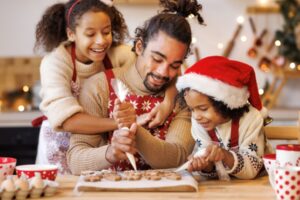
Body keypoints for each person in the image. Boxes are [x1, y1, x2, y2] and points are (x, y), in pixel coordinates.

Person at [34, 0, 175, 174]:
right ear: (71, 34)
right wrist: (121, 122)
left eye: (106, 32)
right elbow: (68, 121)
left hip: (95, 146)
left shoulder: (117, 54)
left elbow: (166, 66)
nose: (101, 41)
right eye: (90, 34)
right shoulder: (55, 62)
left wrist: (168, 102)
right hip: (60, 145)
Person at [67, 0, 205, 175]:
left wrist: (133, 129)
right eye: (156, 59)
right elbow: (75, 161)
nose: (163, 72)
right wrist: (110, 152)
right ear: (139, 47)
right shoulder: (99, 87)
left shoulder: (184, 96)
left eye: (174, 65)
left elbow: (175, 157)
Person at [176, 56, 273, 180]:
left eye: (203, 108)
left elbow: (253, 168)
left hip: (260, 185)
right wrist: (205, 165)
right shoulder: (200, 122)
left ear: (223, 103)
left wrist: (225, 155)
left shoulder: (251, 119)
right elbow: (211, 169)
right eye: (192, 109)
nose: (196, 116)